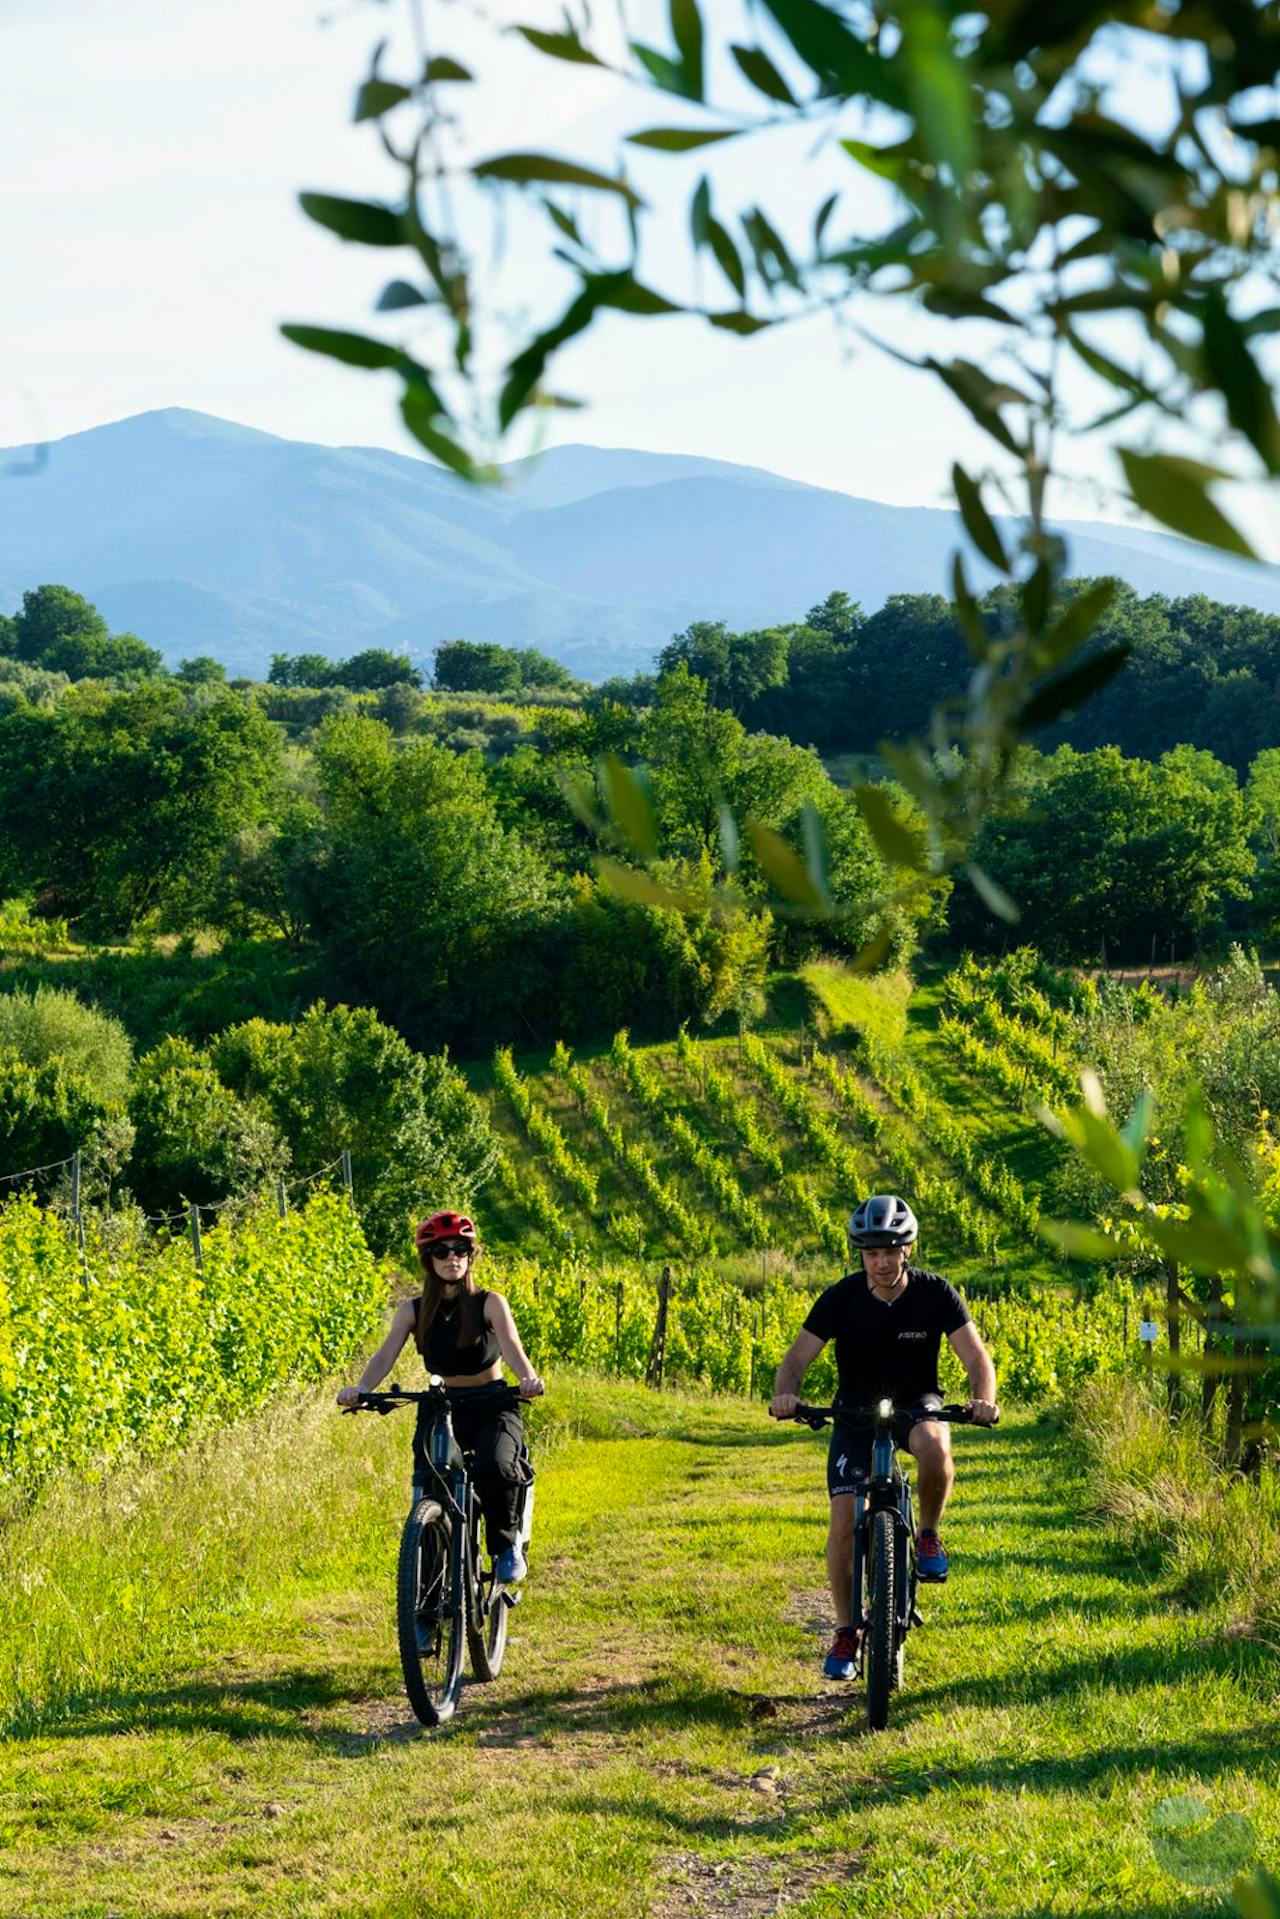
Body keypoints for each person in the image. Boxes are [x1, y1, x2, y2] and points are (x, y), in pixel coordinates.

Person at [769, 1193, 999, 1680]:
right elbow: (796, 1358)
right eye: (870, 1253)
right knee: (844, 1521)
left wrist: (983, 1399)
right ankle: (847, 1629)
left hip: (917, 1407)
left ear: (908, 1249)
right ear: (861, 1255)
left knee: (936, 1447)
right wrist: (786, 1395)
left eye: (889, 1251)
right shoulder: (841, 1298)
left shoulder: (936, 1294)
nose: (880, 1262)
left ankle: (930, 1535)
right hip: (854, 1414)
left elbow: (976, 1358)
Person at [337, 1210, 543, 1584]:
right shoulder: (412, 1311)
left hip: (493, 1404)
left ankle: (508, 1545)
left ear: (470, 1255)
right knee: (432, 1485)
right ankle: (428, 1592)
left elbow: (513, 1348)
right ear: (428, 1260)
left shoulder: (489, 1302)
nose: (453, 1258)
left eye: (461, 1249)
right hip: (444, 1407)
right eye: (442, 1251)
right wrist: (361, 1389)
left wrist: (528, 1378)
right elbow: (385, 1355)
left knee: (494, 1469)